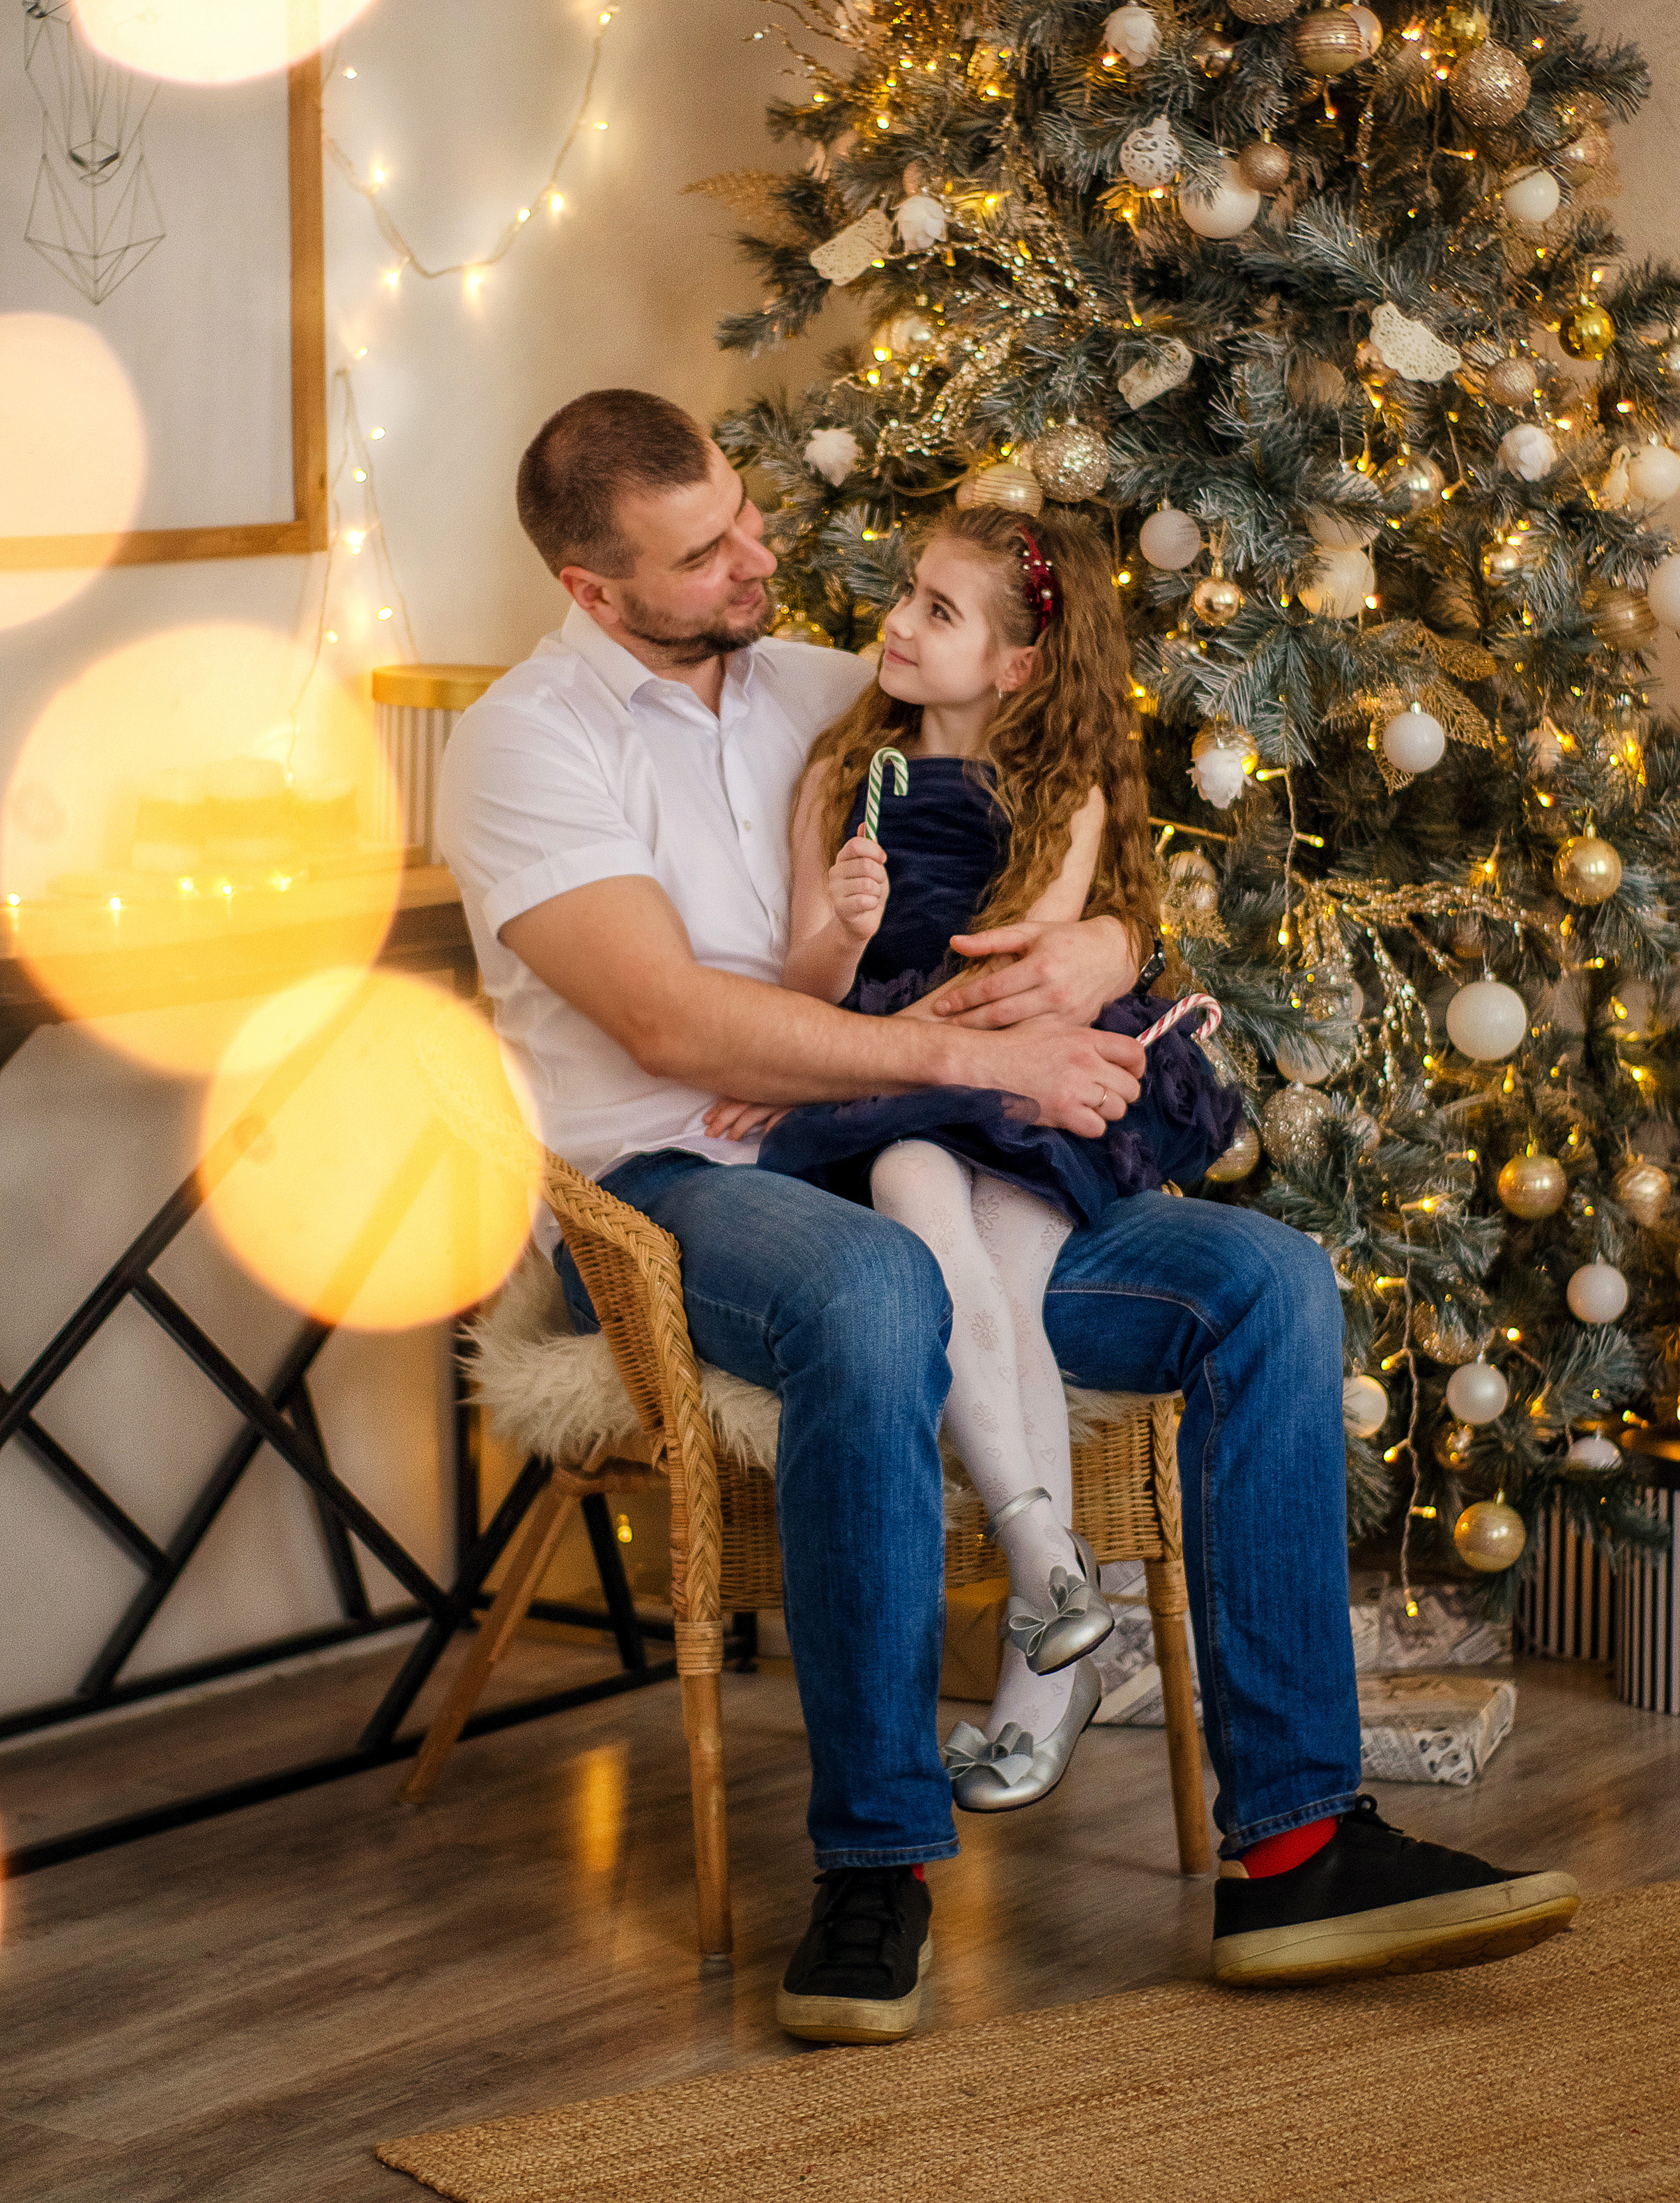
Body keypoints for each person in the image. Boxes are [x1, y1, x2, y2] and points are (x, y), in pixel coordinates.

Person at [436, 386, 1579, 2047]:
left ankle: (1296, 1848)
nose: (761, 557)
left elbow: (1060, 813)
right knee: (876, 1295)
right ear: (596, 591)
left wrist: (1105, 955)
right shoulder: (526, 743)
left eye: (747, 513)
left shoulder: (835, 693)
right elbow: (677, 1028)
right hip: (681, 1185)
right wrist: (990, 1061)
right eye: (707, 553)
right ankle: (876, 1859)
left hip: (925, 1148)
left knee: (1261, 1278)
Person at [739, 503, 1242, 1810]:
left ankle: (1044, 1654)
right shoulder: (842, 771)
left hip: (1007, 1071)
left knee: (1005, 1279)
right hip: (883, 1072)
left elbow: (1016, 990)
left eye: (940, 612)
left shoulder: (1057, 797)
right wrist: (842, 941)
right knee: (909, 1183)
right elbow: (803, 974)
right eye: (909, 593)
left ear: (1016, 668)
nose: (898, 624)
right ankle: (1050, 1580)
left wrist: (913, 1024)